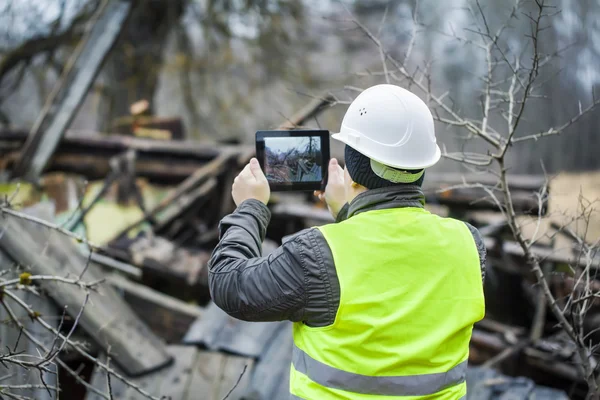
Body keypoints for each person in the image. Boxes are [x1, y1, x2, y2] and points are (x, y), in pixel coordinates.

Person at [208, 84, 486, 400]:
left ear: (353, 165)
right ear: (422, 164)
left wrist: (250, 206)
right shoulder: (469, 244)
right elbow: (391, 275)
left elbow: (229, 284)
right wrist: (347, 212)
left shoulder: (314, 255)